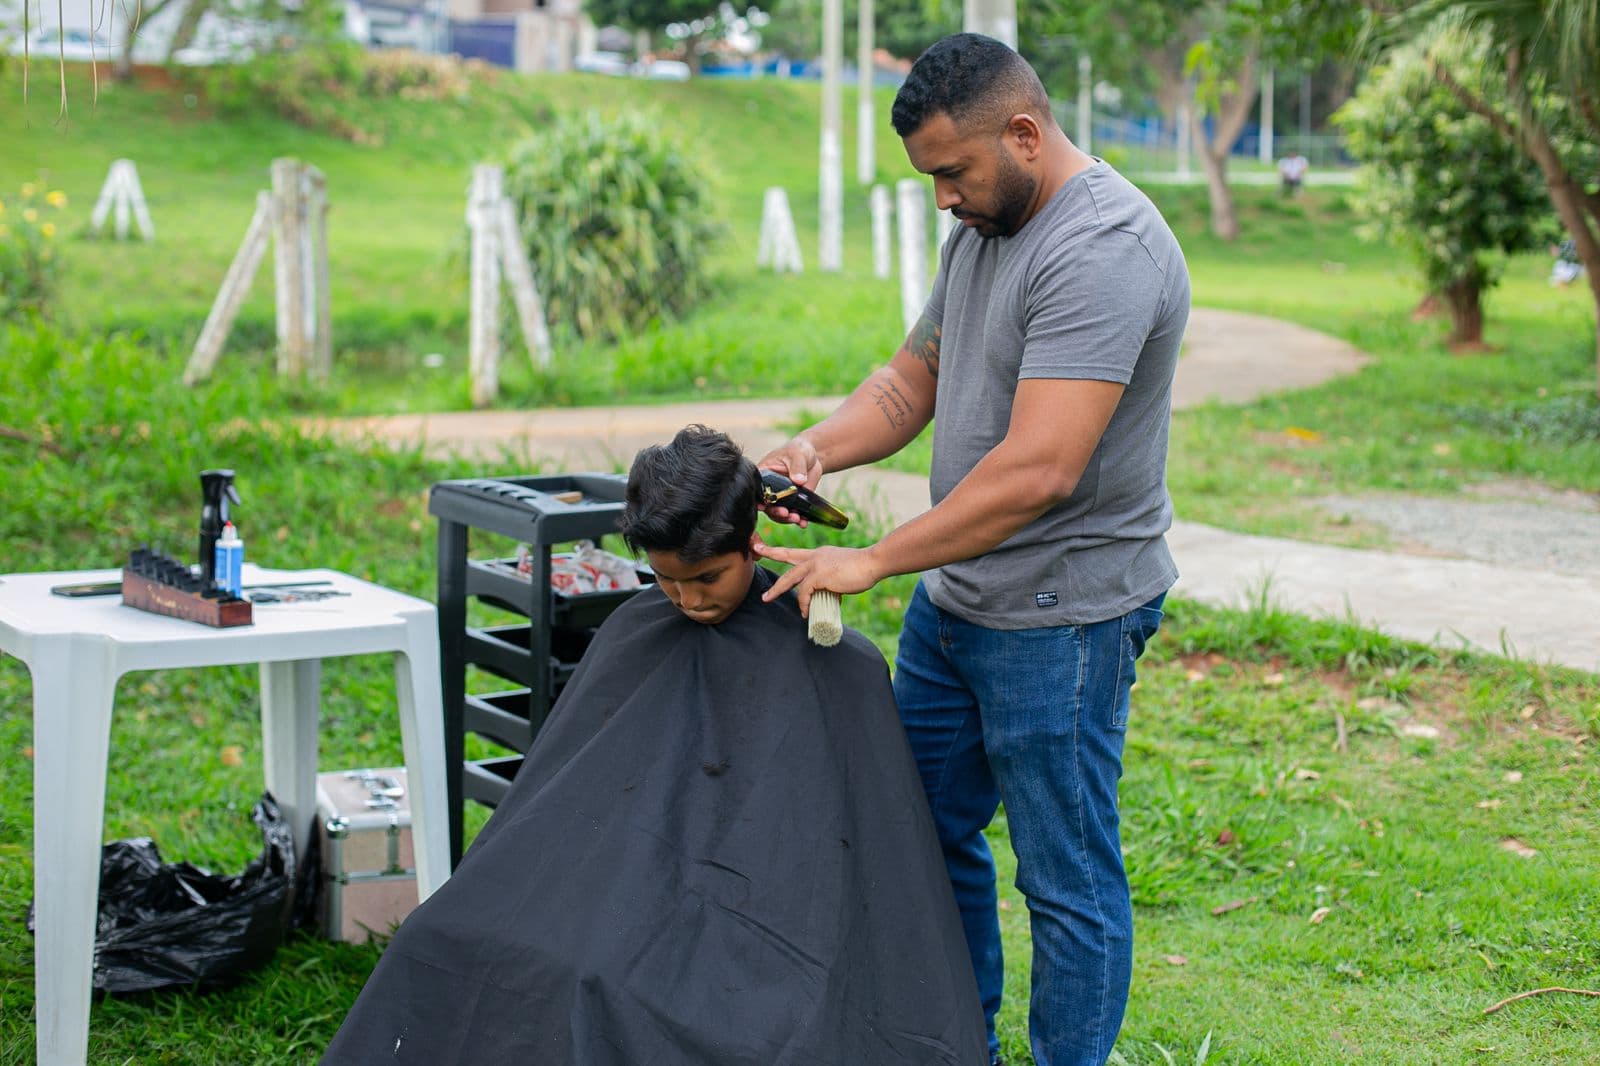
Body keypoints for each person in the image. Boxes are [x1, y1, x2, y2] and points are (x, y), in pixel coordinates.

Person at [754, 34, 1189, 1066]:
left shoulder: (1105, 248)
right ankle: (952, 1042)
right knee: (919, 835)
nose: (942, 198)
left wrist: (872, 559)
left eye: (952, 171)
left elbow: (1040, 468)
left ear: (1026, 133)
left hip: (1064, 616)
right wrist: (816, 446)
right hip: (958, 605)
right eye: (931, 178)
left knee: (1063, 876)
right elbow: (913, 382)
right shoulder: (984, 231)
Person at [324, 425, 987, 1065]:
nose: (687, 599)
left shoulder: (836, 664)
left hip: (753, 934)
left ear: (752, 543)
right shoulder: (633, 631)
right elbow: (562, 806)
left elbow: (842, 869)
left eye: (706, 579)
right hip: (615, 901)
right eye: (667, 580)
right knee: (442, 938)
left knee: (644, 997)